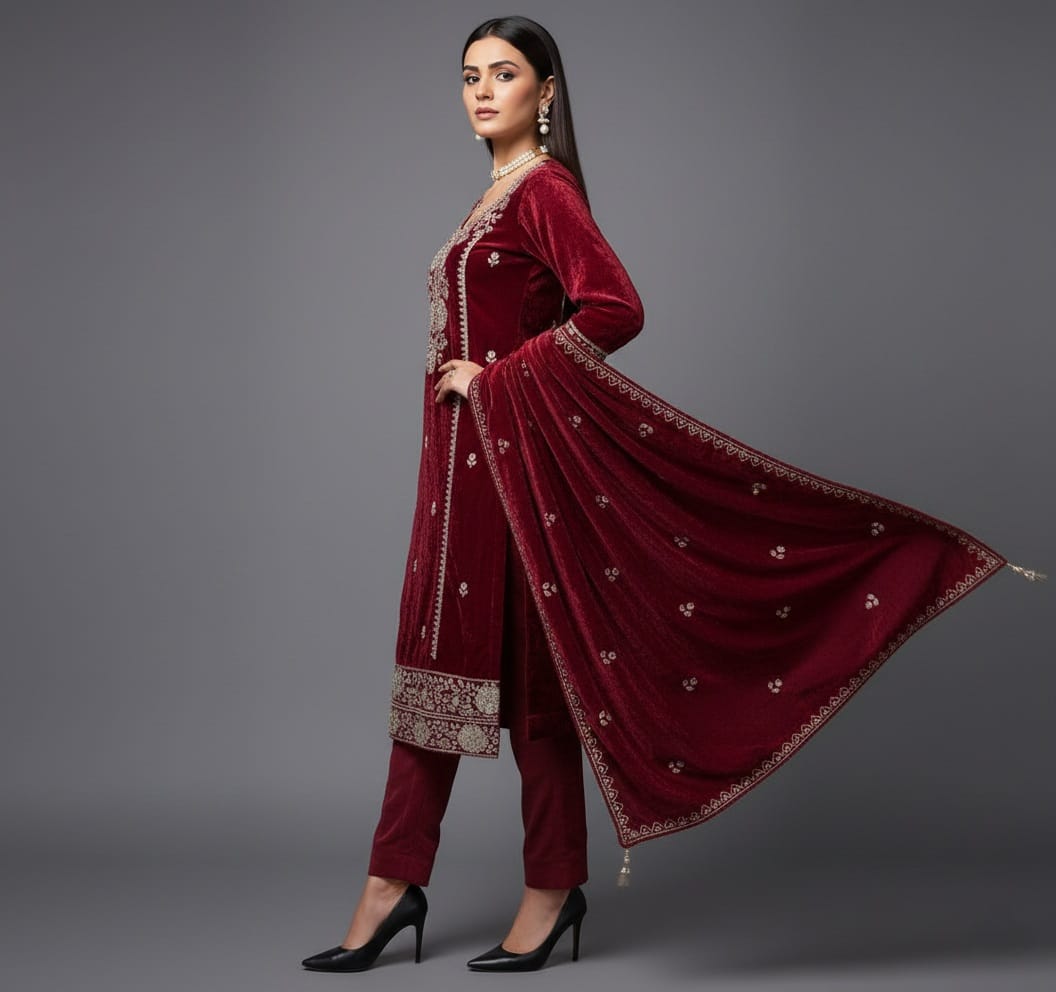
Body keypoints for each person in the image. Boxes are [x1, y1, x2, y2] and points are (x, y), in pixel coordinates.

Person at [301, 13, 1043, 977]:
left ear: (547, 92)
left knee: (529, 693)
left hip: (508, 472)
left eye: (506, 74)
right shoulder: (487, 201)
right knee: (442, 682)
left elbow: (617, 307)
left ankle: (518, 890)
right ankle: (418, 883)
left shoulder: (543, 193)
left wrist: (497, 381)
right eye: (470, 75)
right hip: (457, 479)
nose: (483, 91)